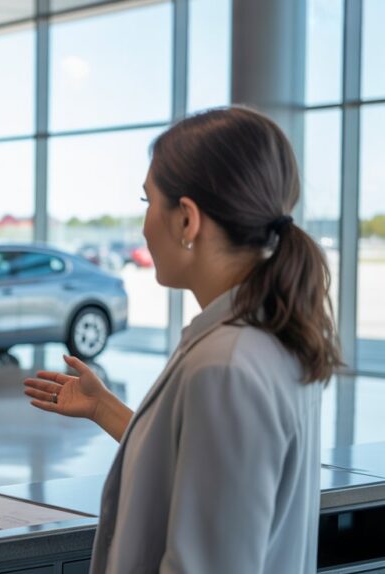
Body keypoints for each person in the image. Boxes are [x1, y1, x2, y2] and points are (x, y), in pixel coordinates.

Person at [24, 107, 342, 573]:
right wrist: (104, 408)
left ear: (187, 220)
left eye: (148, 202)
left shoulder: (226, 364)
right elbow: (202, 468)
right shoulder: (274, 336)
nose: (144, 225)